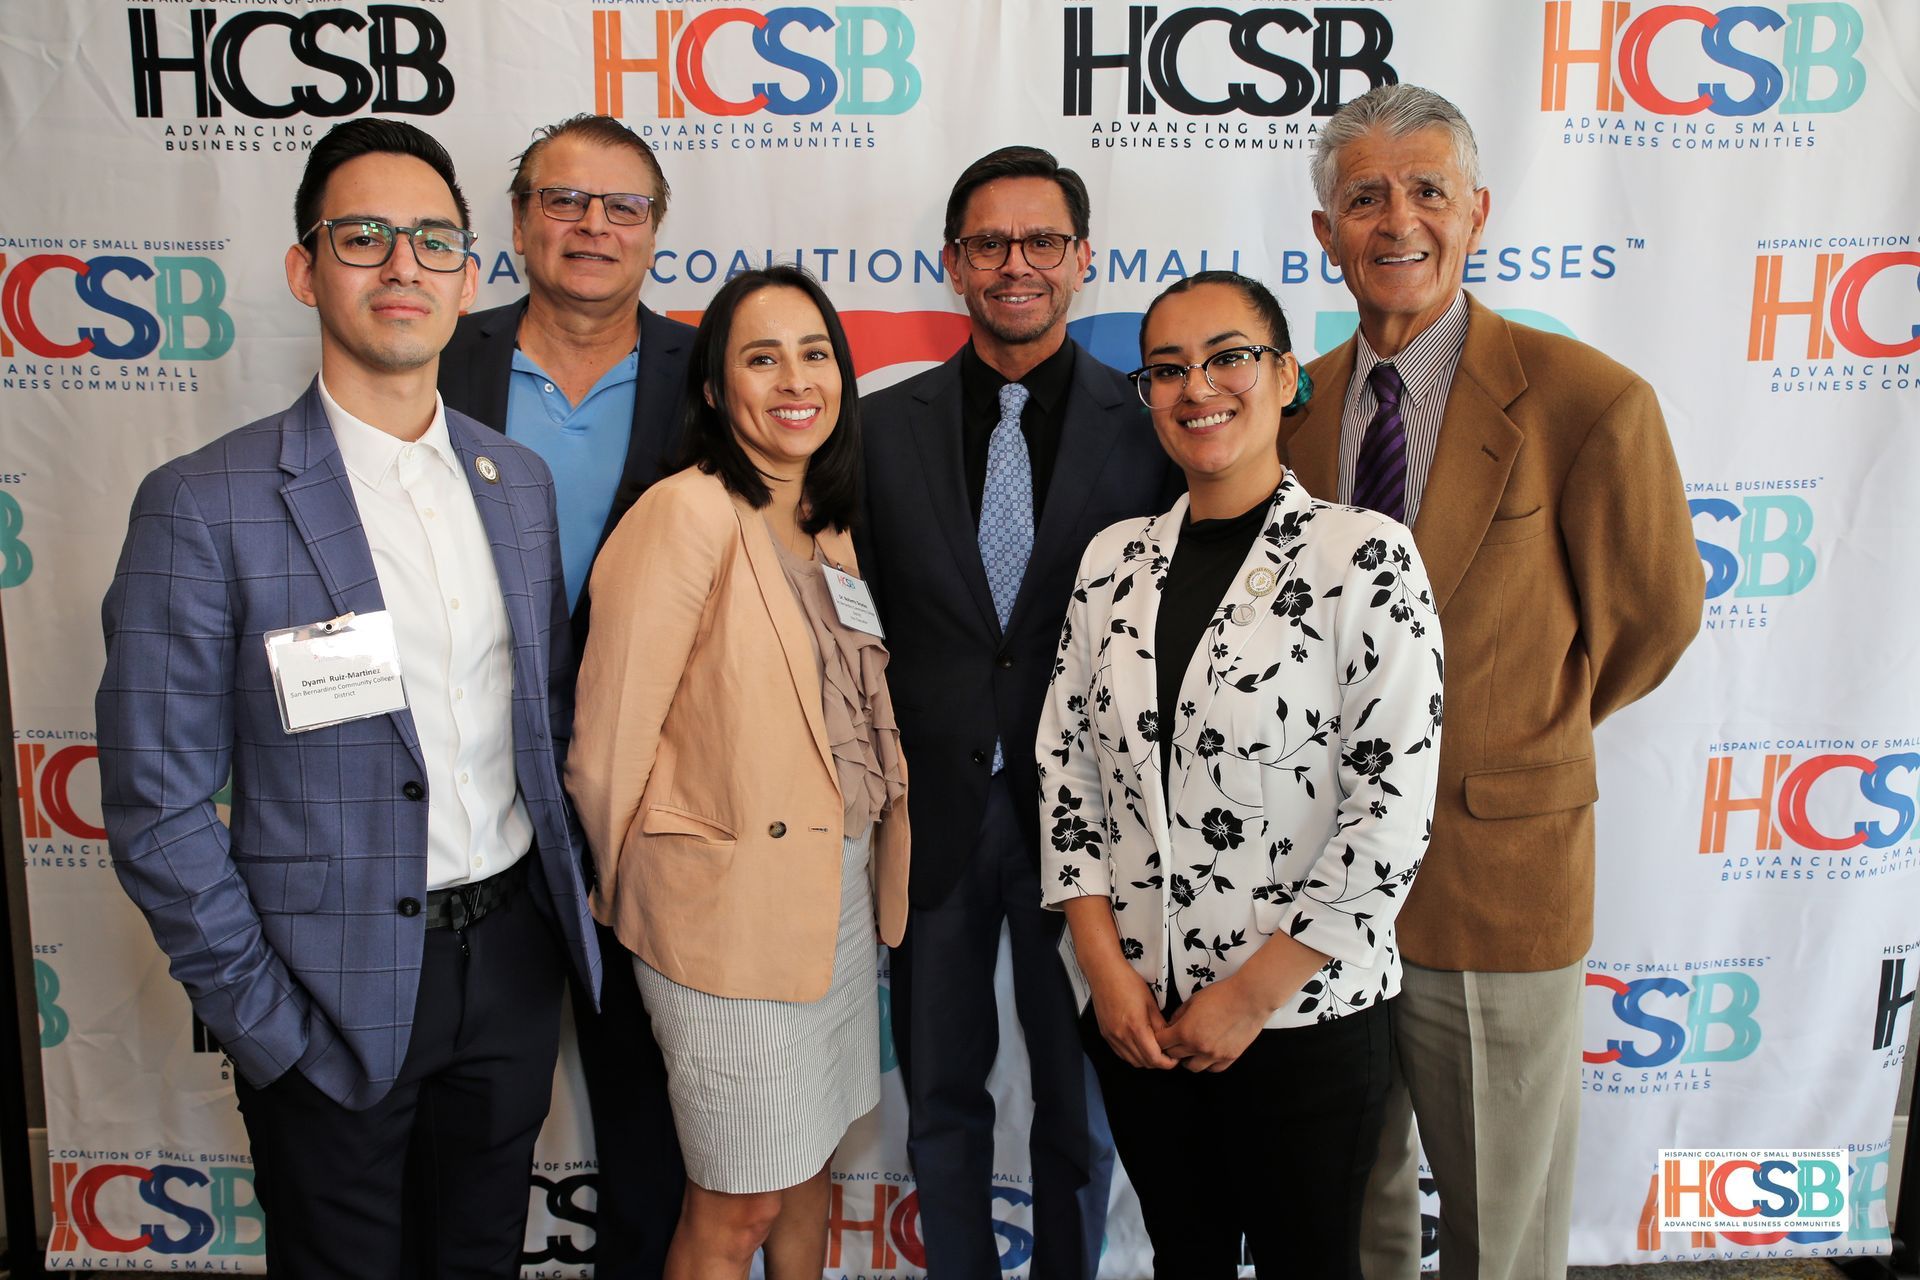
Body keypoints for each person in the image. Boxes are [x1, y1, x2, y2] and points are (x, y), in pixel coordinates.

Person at [95, 118, 600, 1279]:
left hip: (511, 971)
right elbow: (156, 806)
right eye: (364, 236)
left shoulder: (512, 482)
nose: (402, 265)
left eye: (432, 240)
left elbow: (542, 724)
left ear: (470, 274)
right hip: (326, 994)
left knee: (477, 1260)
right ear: (304, 267)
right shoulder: (203, 503)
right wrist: (267, 1024)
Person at [1281, 83, 1704, 1279]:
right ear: (1326, 233)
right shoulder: (1291, 410)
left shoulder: (1588, 402)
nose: (1396, 219)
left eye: (1425, 191)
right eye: (1364, 196)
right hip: (1315, 895)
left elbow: (1651, 621)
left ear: (1477, 213)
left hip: (1499, 878)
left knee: (1504, 1231)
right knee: (1341, 1212)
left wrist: (1508, 740)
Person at [1037, 270, 1444, 1278]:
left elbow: (1390, 807)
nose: (1197, 386)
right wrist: (1105, 970)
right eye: (1167, 368)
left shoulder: (1365, 557)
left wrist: (1250, 995)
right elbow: (1067, 772)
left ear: (1285, 377)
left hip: (1301, 1017)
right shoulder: (1111, 562)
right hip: (1139, 1014)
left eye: (1227, 356)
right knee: (1187, 1256)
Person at [857, 145, 1175, 1279]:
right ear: (953, 263)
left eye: (1043, 241)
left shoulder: (1149, 430)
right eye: (989, 243)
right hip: (932, 814)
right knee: (939, 1092)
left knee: (1077, 1107)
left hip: (1089, 824)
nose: (1016, 264)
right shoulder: (877, 428)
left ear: (1084, 259)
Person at [566, 264, 910, 1280]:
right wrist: (642, 904)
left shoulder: (822, 516)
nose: (794, 378)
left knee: (809, 1163)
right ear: (717, 391)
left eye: (815, 353)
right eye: (761, 357)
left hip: (831, 897)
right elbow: (606, 742)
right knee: (739, 1196)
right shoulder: (683, 512)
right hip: (720, 924)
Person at [438, 112, 694, 1279]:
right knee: (466, 1100)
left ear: (656, 231)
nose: (593, 226)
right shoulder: (438, 354)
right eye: (564, 200)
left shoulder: (712, 371)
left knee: (647, 1100)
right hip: (468, 791)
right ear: (519, 221)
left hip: (651, 796)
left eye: (621, 206)